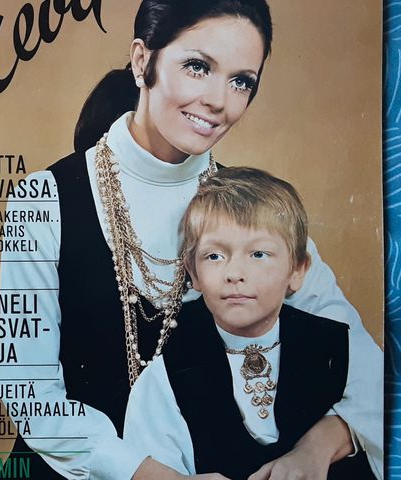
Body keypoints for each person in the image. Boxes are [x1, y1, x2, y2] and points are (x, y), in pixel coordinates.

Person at [0, 1, 382, 479]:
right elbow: (29, 395)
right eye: (198, 67)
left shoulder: (257, 210)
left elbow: (370, 371)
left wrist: (316, 448)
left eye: (241, 81)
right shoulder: (41, 198)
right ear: (142, 60)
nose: (220, 101)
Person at [123, 167, 382, 479]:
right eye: (214, 256)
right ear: (193, 272)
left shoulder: (340, 346)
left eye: (258, 254)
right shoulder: (166, 374)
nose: (235, 273)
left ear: (297, 270)